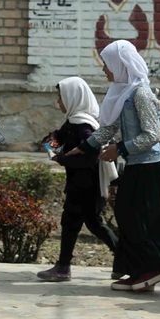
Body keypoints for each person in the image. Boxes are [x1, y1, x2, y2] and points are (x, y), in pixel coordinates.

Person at [70, 40, 160, 292]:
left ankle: (153, 268)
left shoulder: (140, 93)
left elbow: (151, 135)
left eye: (107, 65)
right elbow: (109, 128)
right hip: (136, 163)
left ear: (120, 65)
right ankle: (141, 272)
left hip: (149, 165)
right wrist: (84, 147)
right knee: (128, 214)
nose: (105, 71)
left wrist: (119, 149)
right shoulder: (122, 92)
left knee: (137, 217)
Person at [36, 77, 118, 282]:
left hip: (85, 185)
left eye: (61, 97)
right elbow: (58, 137)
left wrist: (61, 159)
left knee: (76, 222)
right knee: (90, 223)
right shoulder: (75, 121)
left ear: (73, 97)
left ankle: (64, 268)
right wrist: (51, 145)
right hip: (80, 183)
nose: (59, 101)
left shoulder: (84, 126)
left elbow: (89, 158)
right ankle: (125, 260)